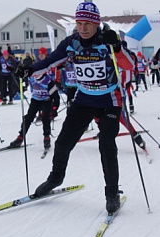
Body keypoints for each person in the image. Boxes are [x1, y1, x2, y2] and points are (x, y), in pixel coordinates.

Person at [17, 2, 135, 214]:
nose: (83, 28)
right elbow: (51, 61)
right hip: (83, 100)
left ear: (96, 23)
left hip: (109, 100)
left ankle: (112, 193)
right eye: (79, 23)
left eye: (87, 23)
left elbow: (129, 65)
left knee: (107, 145)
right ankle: (55, 178)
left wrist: (116, 47)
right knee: (62, 143)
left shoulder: (106, 41)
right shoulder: (72, 43)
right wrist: (29, 69)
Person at [10, 47, 59, 150]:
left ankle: (46, 137)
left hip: (46, 99)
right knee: (28, 118)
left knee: (46, 118)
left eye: (43, 54)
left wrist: (54, 109)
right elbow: (25, 76)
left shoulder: (47, 77)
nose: (40, 55)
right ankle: (20, 137)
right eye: (39, 54)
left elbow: (56, 96)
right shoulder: (32, 72)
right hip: (35, 98)